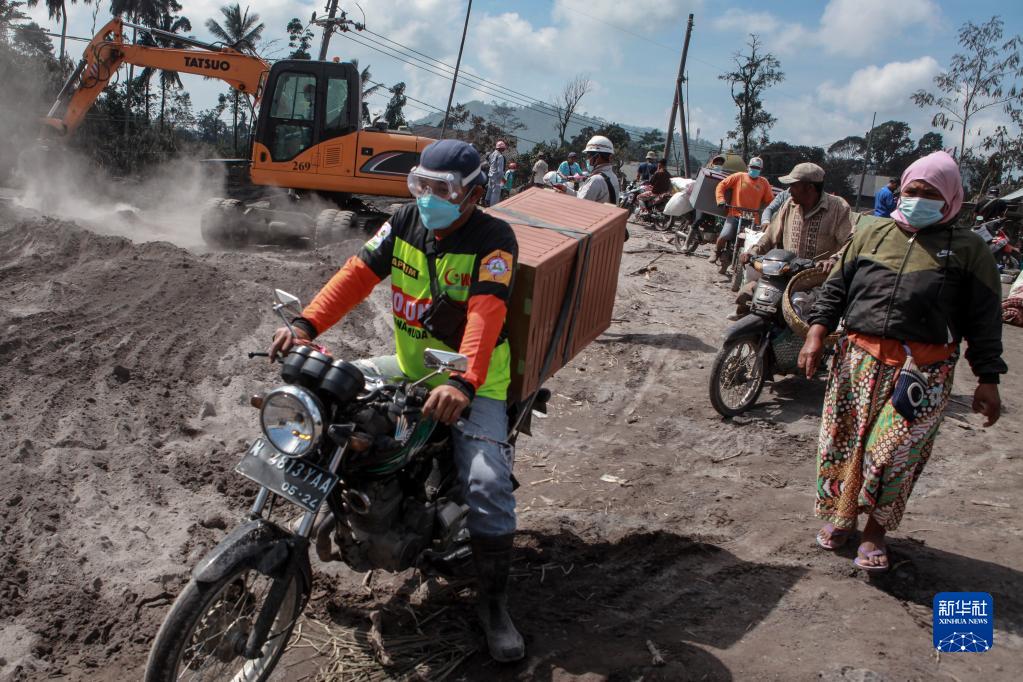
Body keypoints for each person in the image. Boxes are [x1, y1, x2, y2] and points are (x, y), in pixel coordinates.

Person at [268, 139, 525, 661]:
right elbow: (357, 275)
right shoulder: (405, 221)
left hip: (475, 383)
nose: (427, 197)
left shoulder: (494, 239)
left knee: (487, 484)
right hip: (409, 368)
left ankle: (494, 606)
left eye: (442, 189)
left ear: (473, 194)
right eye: (420, 185)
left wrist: (464, 382)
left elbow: (485, 314)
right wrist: (306, 324)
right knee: (325, 398)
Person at [798, 151, 1005, 575]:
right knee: (843, 444)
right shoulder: (871, 231)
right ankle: (842, 517)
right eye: (912, 190)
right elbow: (836, 288)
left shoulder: (970, 249)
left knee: (893, 456)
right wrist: (817, 333)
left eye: (931, 194)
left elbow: (984, 320)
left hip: (921, 374)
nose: (918, 199)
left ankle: (875, 532)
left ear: (950, 198)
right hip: (857, 363)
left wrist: (988, 377)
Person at [733, 163, 853, 318]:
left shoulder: (838, 207)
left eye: (794, 186)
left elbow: (851, 241)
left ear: (810, 188)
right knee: (747, 295)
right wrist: (752, 252)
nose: (789, 191)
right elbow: (770, 235)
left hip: (817, 281)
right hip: (784, 273)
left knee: (802, 309)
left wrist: (833, 259)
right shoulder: (789, 204)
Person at [712, 156, 774, 272]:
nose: (754, 169)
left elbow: (770, 201)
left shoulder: (764, 182)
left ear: (761, 170)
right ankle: (716, 252)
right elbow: (721, 185)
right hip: (734, 214)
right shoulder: (739, 176)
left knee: (753, 244)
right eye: (753, 167)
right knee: (724, 235)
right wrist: (720, 200)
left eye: (757, 168)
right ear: (748, 167)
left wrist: (767, 213)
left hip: (753, 219)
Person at [553, 135, 620, 204]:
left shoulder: (596, 180)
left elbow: (580, 204)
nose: (588, 159)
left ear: (597, 157)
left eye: (589, 156)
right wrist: (566, 190)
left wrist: (564, 195)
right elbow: (581, 196)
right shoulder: (613, 177)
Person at [486, 140, 507, 206]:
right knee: (495, 193)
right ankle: (493, 207)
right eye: (503, 148)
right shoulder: (500, 156)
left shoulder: (492, 155)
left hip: (491, 176)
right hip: (496, 178)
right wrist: (502, 179)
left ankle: (486, 203)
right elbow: (500, 170)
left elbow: (490, 164)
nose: (504, 149)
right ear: (501, 148)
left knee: (489, 191)